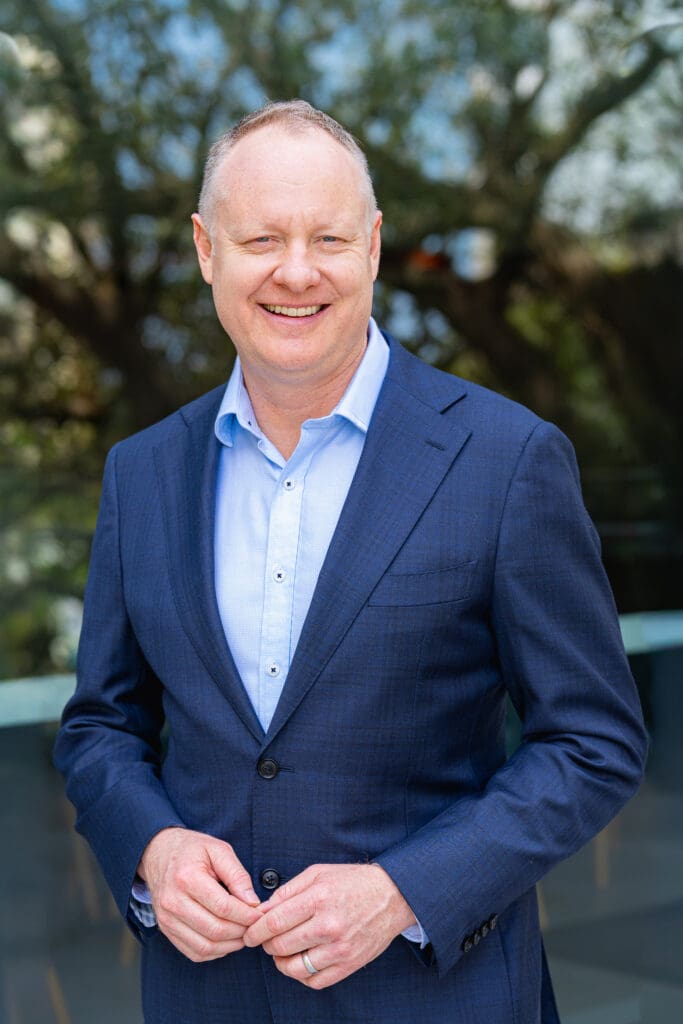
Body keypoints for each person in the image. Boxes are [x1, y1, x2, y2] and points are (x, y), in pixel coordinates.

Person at [54, 100, 647, 1024]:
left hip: (437, 1000)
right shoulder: (143, 472)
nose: (296, 272)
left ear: (371, 247)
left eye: (327, 238)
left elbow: (592, 741)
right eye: (260, 239)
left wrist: (405, 891)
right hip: (206, 999)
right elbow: (100, 726)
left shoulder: (505, 458)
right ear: (207, 251)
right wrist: (153, 849)